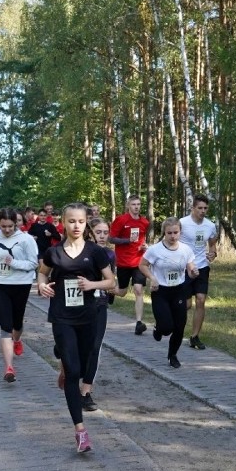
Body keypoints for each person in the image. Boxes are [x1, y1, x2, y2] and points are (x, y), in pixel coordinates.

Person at [37, 203, 114, 453]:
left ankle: (65, 360)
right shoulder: (54, 252)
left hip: (88, 316)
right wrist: (42, 285)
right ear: (63, 222)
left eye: (81, 221)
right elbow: (42, 273)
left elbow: (111, 281)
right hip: (62, 316)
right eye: (71, 221)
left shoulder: (95, 252)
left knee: (83, 361)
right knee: (73, 374)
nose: (76, 226)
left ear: (86, 223)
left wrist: (92, 285)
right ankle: (80, 431)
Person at [56, 217, 115, 410]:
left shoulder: (109, 255)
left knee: (95, 348)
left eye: (106, 233)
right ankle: (65, 359)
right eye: (98, 232)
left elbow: (112, 281)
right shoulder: (80, 252)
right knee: (74, 348)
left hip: (99, 306)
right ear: (90, 232)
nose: (102, 236)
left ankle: (85, 392)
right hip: (77, 307)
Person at [0, 208, 39, 383]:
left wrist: (14, 263)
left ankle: (17, 340)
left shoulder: (27, 239)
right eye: (3, 226)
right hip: (1, 284)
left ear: (16, 223)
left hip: (21, 284)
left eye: (10, 226)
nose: (7, 230)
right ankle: (9, 367)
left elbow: (33, 264)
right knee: (5, 326)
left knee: (17, 322)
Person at [139, 217, 198, 369]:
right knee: (166, 328)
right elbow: (142, 265)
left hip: (179, 290)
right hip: (161, 292)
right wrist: (152, 278)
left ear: (180, 232)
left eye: (176, 232)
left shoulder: (186, 249)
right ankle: (158, 328)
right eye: (169, 233)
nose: (173, 236)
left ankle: (172, 355)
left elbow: (191, 268)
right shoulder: (155, 250)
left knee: (179, 327)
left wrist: (193, 272)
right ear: (164, 232)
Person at [179, 194, 218, 349]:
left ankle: (195, 337)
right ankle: (172, 324)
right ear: (193, 208)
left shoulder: (210, 225)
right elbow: (171, 239)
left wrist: (213, 253)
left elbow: (213, 243)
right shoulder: (182, 223)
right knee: (187, 304)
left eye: (205, 208)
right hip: (185, 267)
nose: (203, 211)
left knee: (201, 300)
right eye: (200, 208)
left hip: (202, 266)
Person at [109, 194, 150, 335]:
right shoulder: (121, 220)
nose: (136, 207)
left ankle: (139, 323)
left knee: (139, 290)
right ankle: (109, 290)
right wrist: (127, 240)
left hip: (139, 262)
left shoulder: (144, 222)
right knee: (122, 292)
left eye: (138, 204)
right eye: (133, 204)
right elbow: (111, 238)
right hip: (123, 262)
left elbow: (142, 239)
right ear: (128, 206)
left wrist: (144, 246)